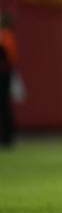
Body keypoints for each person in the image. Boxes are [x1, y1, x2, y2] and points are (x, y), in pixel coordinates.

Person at [0, 11, 18, 147]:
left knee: (4, 105)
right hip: (4, 73)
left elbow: (9, 57)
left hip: (4, 74)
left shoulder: (6, 35)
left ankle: (7, 137)